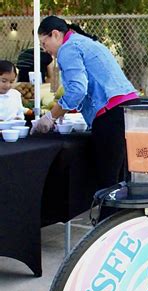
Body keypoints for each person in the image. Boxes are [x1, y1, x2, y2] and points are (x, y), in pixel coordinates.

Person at [32, 16, 139, 196]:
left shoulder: (67, 49)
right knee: (122, 179)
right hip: (129, 108)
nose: (45, 49)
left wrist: (51, 116)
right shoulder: (84, 42)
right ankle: (124, 223)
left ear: (55, 35)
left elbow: (77, 90)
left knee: (108, 184)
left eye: (44, 43)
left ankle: (109, 223)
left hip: (111, 115)